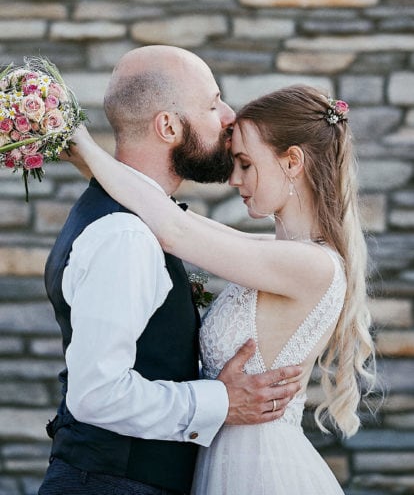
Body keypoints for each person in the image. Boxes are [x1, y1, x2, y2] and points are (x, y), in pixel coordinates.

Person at [71, 83, 376, 495]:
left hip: (261, 471)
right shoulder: (275, 253)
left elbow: (173, 229)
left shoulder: (311, 265)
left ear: (293, 162)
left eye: (245, 164)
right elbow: (164, 211)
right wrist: (84, 160)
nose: (234, 179)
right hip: (224, 459)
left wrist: (81, 139)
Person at [38, 45, 301, 495]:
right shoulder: (125, 235)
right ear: (169, 126)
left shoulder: (137, 220)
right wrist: (222, 401)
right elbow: (96, 394)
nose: (228, 116)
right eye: (212, 102)